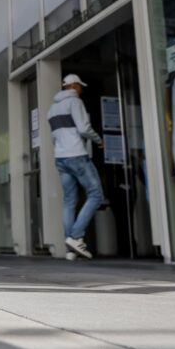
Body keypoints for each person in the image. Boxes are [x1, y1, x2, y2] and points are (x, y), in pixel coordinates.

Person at [47, 74, 103, 260]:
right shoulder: (75, 102)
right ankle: (76, 236)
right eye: (80, 85)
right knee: (96, 194)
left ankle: (71, 250)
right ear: (74, 86)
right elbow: (84, 128)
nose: (81, 89)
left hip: (60, 157)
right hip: (76, 154)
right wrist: (98, 140)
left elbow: (54, 137)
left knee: (69, 200)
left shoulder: (52, 108)